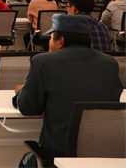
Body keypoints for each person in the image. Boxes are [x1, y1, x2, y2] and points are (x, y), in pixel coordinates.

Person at [13, 14, 122, 167]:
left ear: (61, 41)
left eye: (51, 38)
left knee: (27, 160)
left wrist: (20, 93)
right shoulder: (110, 64)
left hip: (57, 159)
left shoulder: (42, 62)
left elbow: (28, 107)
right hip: (103, 158)